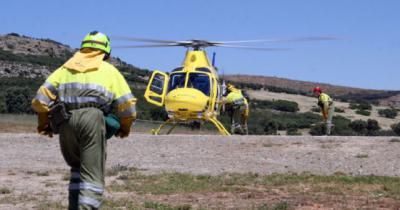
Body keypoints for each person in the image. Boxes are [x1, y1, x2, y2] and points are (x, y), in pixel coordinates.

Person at [31, 31, 137, 209]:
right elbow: (128, 107)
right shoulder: (109, 70)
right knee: (92, 177)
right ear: (106, 52)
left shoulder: (63, 69)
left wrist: (44, 125)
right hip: (92, 120)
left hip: (65, 121)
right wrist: (124, 128)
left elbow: (40, 101)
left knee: (77, 171)